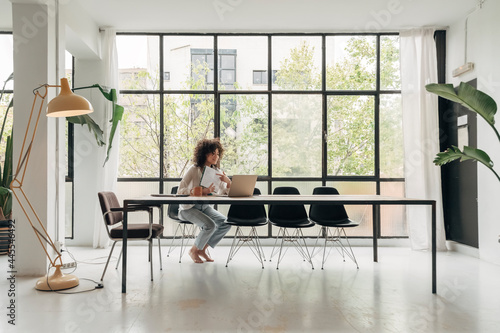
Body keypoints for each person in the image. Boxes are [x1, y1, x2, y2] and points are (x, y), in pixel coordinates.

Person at [177, 138, 232, 263]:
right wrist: (201, 191)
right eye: (212, 153)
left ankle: (201, 249)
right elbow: (181, 190)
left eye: (217, 154)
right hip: (189, 208)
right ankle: (193, 250)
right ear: (204, 153)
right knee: (210, 225)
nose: (215, 156)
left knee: (225, 223)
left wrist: (228, 182)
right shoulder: (194, 169)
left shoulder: (217, 172)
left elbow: (225, 193)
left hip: (205, 207)